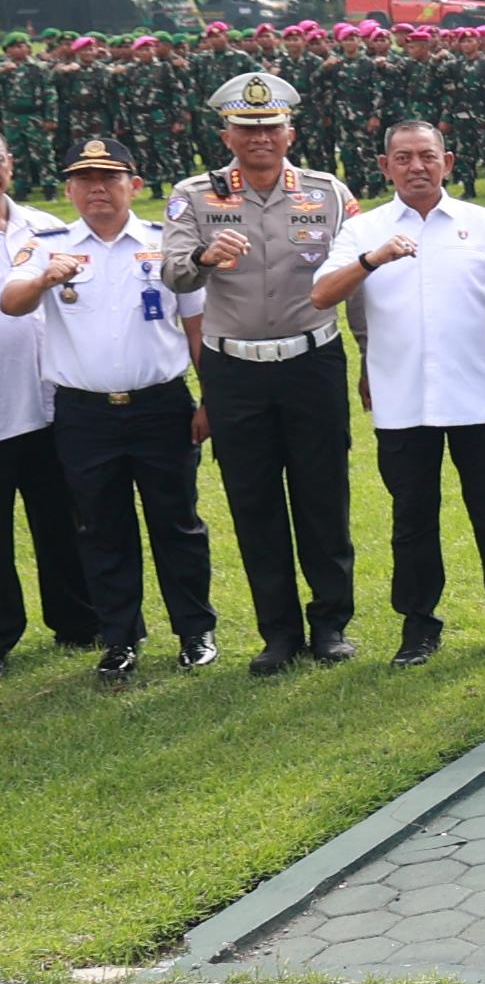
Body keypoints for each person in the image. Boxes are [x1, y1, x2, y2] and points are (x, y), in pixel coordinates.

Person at [311, 120, 485, 664]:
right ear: (385, 167)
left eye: (427, 157)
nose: (416, 167)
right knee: (412, 521)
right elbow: (320, 295)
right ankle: (418, 628)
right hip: (402, 403)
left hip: (475, 399)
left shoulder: (481, 224)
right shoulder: (366, 231)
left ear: (447, 162)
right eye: (403, 158)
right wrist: (373, 259)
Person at [162, 70, 358, 675]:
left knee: (323, 495)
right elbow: (172, 271)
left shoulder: (327, 193)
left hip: (312, 360)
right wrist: (202, 256)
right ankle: (278, 633)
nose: (260, 138)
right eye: (247, 128)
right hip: (235, 369)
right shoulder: (195, 196)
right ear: (227, 134)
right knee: (254, 501)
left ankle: (330, 625)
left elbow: (358, 271)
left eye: (270, 127)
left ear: (290, 131)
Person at [0, 135, 216, 681]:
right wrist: (48, 275)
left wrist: (210, 396)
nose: (97, 189)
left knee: (178, 523)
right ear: (69, 190)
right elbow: (13, 300)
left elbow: (197, 326)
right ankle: (119, 639)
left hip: (161, 405)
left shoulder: (165, 244)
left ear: (134, 186)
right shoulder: (49, 246)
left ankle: (195, 631)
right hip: (85, 414)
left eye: (110, 179)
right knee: (101, 529)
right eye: (84, 180)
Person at [0, 141, 97, 666]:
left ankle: (78, 619)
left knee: (63, 521)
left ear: (11, 165)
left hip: (49, 400)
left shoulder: (47, 227)